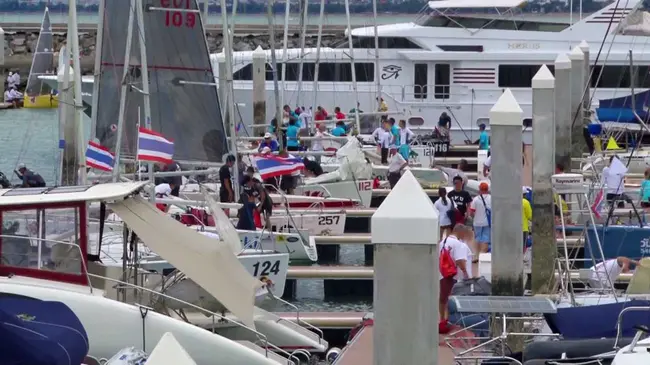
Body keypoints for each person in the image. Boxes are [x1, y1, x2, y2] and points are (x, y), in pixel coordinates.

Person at [438, 224, 472, 334]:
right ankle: (449, 320)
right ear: (461, 232)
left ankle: (442, 318)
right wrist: (466, 273)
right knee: (452, 298)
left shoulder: (442, 242)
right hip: (454, 276)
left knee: (443, 297)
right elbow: (460, 261)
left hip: (443, 274)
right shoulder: (458, 244)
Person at [469, 182, 491, 254]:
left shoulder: (475, 199)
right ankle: (483, 254)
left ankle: (476, 255)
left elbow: (471, 212)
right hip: (487, 223)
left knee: (477, 239)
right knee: (485, 239)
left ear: (480, 189)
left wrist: (474, 217)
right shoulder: (491, 198)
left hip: (477, 223)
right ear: (487, 189)